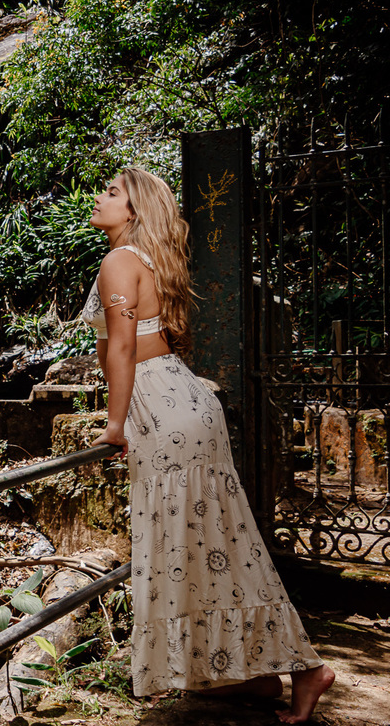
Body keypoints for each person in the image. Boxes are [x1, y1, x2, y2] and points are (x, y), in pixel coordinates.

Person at [82, 168, 334, 723]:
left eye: (112, 192)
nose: (99, 197)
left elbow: (122, 349)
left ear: (135, 210)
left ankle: (304, 667)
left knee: (193, 543)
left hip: (160, 408)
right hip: (183, 400)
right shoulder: (147, 261)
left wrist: (114, 424)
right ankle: (253, 671)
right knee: (212, 542)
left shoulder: (119, 262)